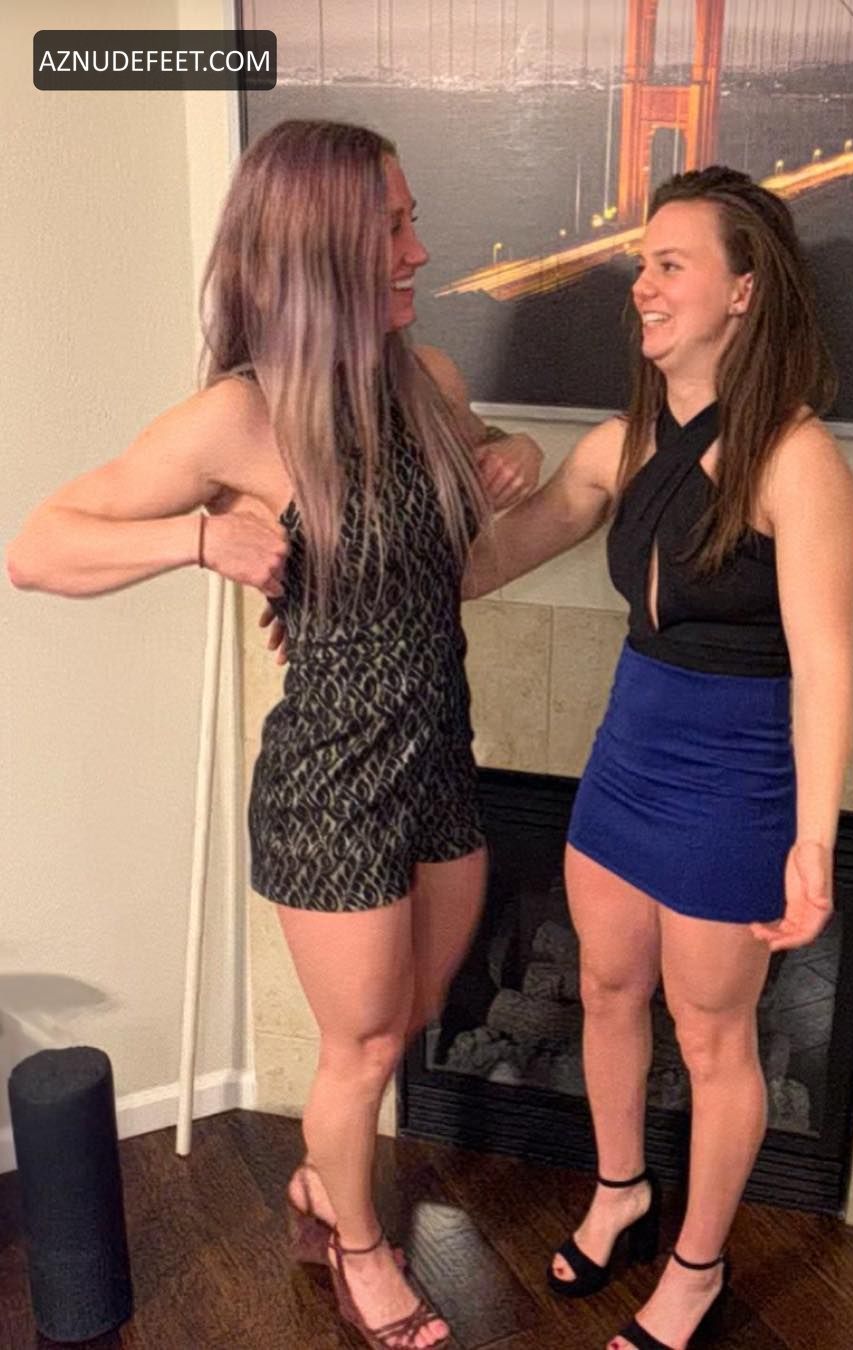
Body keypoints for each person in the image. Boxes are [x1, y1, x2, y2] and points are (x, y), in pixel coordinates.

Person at [7, 118, 542, 1350]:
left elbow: (467, 497)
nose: (418, 249)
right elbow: (38, 547)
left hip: (439, 760)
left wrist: (512, 452)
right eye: (392, 226)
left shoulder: (427, 382)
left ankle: (320, 1178)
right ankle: (358, 1246)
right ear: (321, 248)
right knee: (362, 1044)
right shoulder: (239, 419)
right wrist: (198, 537)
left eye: (410, 221)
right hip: (330, 787)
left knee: (407, 1017)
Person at [464, 165, 853, 1350]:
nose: (641, 284)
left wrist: (814, 843)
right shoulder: (619, 444)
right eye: (643, 263)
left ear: (743, 290)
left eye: (669, 264)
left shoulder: (799, 462)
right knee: (604, 988)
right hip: (627, 755)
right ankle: (622, 1192)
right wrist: (383, 532)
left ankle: (697, 1265)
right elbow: (485, 564)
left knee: (714, 1036)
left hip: (735, 782)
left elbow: (825, 667)